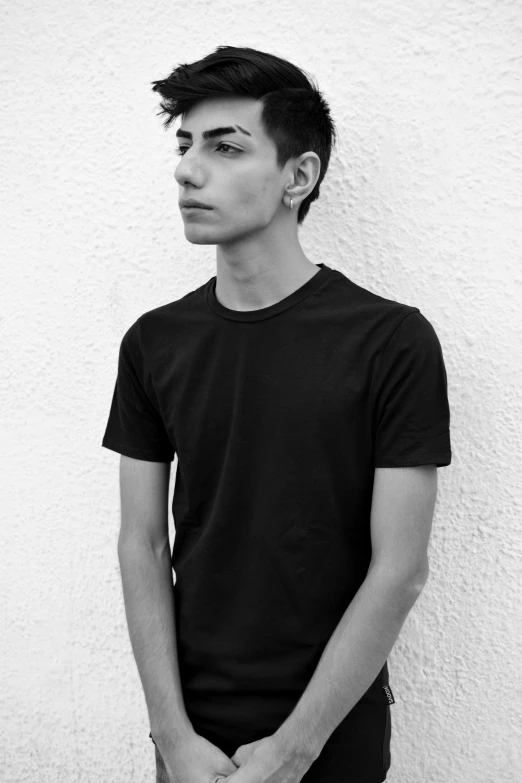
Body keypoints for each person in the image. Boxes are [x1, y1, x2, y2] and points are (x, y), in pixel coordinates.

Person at [101, 45, 452, 783]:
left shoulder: (390, 340)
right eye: (186, 144)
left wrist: (295, 748)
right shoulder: (154, 342)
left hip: (331, 730)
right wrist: (171, 736)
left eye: (226, 147)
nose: (188, 169)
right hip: (191, 736)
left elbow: (400, 569)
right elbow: (141, 542)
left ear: (299, 176)